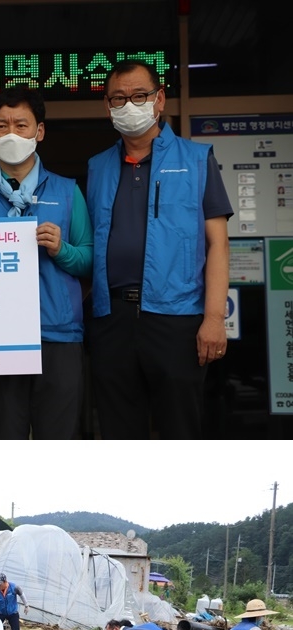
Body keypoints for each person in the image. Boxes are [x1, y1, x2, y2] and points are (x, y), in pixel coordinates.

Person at [85, 60, 234, 440]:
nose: (128, 105)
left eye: (139, 96)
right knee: (119, 432)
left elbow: (218, 243)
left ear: (160, 99)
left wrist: (214, 318)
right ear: (107, 106)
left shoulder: (197, 159)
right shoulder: (98, 166)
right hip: (111, 317)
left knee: (179, 431)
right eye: (118, 98)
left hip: (177, 319)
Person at [0, 86, 93, 440]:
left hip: (58, 336)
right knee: (3, 436)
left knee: (59, 439)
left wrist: (63, 250)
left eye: (21, 124)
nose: (11, 133)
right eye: (1, 126)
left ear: (39, 132)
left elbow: (89, 260)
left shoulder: (67, 191)